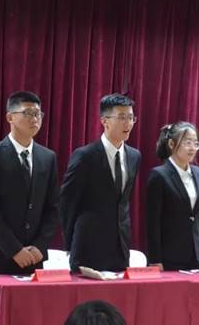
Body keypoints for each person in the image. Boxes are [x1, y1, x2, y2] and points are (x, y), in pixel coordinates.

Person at [0, 91, 60, 274]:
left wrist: (40, 246)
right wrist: (15, 249)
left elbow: (53, 207)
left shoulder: (48, 157)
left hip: (33, 257)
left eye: (38, 114)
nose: (35, 119)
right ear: (10, 117)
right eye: (28, 113)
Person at [60, 93, 141, 272]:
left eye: (131, 118)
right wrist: (69, 242)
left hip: (120, 246)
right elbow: (67, 201)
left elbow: (122, 201)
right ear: (105, 121)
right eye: (122, 117)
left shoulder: (134, 156)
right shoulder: (85, 156)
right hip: (88, 245)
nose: (128, 123)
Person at [146, 122, 199, 271]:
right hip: (169, 256)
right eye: (187, 142)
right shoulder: (159, 175)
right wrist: (155, 259)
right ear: (171, 144)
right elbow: (153, 224)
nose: (192, 148)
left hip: (197, 256)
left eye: (196, 143)